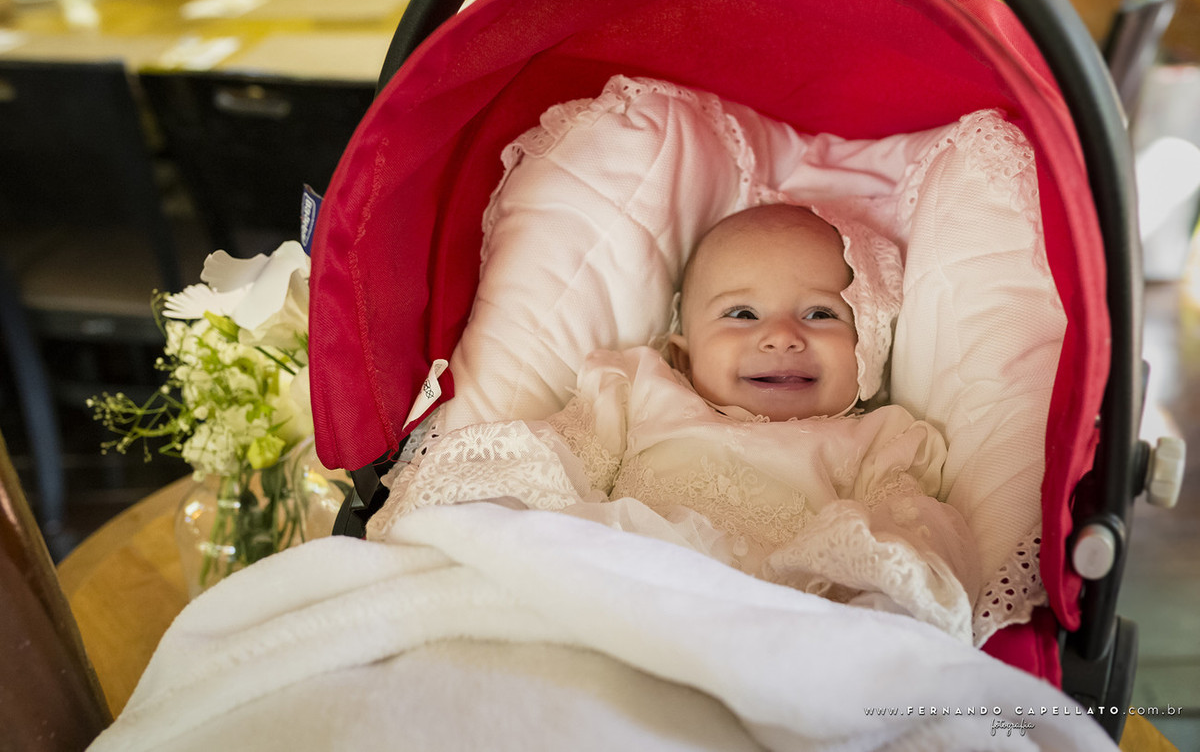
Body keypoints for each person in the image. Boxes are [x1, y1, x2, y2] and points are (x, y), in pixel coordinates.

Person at [370, 203, 983, 644]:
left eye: (820, 313)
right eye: (742, 313)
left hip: (773, 632)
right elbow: (558, 459)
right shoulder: (642, 392)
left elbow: (905, 550)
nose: (780, 337)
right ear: (685, 352)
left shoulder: (879, 439)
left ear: (868, 344)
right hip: (609, 602)